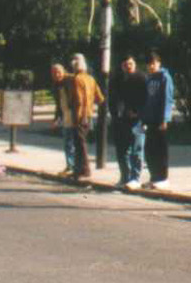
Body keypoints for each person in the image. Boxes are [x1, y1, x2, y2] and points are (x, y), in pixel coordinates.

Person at [109, 54, 147, 188]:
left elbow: (146, 100)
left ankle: (135, 178)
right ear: (122, 66)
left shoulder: (141, 78)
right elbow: (112, 98)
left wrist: (137, 112)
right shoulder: (117, 79)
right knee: (122, 150)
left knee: (137, 149)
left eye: (130, 63)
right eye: (125, 64)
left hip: (137, 119)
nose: (128, 66)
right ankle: (125, 177)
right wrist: (114, 114)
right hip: (121, 119)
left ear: (135, 64)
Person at [142, 51, 177, 189]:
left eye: (153, 63)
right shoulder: (149, 78)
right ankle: (154, 177)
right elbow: (147, 100)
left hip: (159, 119)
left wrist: (165, 119)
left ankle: (163, 178)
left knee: (160, 150)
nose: (151, 66)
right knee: (149, 150)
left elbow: (167, 99)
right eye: (149, 64)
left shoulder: (165, 77)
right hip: (150, 119)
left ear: (159, 63)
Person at [63, 53, 101, 180]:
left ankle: (83, 170)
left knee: (80, 144)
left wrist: (78, 118)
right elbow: (100, 98)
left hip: (79, 115)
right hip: (89, 114)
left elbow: (79, 100)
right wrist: (90, 104)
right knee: (81, 142)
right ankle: (81, 169)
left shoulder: (76, 79)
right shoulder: (91, 79)